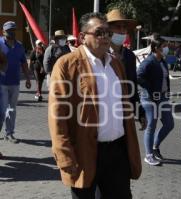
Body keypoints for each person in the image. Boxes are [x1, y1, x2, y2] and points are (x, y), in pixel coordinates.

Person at [48, 12, 141, 199]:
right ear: (83, 37)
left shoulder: (116, 64)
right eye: (99, 32)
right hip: (84, 152)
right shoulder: (67, 65)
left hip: (117, 152)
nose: (106, 37)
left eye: (108, 32)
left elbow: (124, 105)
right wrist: (64, 155)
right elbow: (57, 115)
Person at [137, 34, 174, 166]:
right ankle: (149, 155)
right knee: (151, 125)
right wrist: (150, 88)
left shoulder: (162, 61)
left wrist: (167, 93)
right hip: (150, 98)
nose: (166, 49)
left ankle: (155, 146)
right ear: (156, 48)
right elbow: (139, 76)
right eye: (164, 46)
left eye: (166, 46)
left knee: (169, 124)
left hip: (162, 97)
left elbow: (165, 79)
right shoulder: (149, 61)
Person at [106, 8, 146, 131]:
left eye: (124, 28)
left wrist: (140, 112)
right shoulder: (100, 54)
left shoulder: (129, 56)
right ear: (108, 30)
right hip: (102, 113)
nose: (122, 31)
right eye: (118, 27)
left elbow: (132, 86)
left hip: (124, 113)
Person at [0, 21, 31, 143]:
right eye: (8, 30)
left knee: (11, 109)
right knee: (2, 111)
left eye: (13, 30)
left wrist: (28, 78)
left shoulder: (19, 46)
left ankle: (9, 133)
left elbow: (24, 62)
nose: (11, 32)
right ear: (3, 31)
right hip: (1, 83)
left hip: (15, 83)